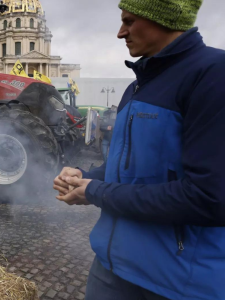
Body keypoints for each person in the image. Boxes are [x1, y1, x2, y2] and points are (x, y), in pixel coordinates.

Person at [53, 1, 225, 300]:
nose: (121, 33)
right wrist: (84, 176)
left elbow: (209, 198)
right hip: (111, 267)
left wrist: (95, 191)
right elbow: (126, 167)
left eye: (130, 21)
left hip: (176, 281)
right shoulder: (136, 87)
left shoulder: (213, 74)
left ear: (164, 18)